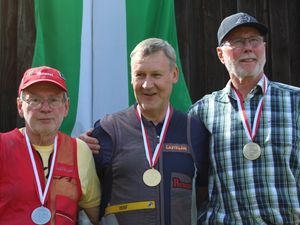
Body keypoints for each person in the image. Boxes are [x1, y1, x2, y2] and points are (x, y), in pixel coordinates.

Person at [80, 38, 209, 225]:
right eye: (140, 75)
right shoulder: (108, 130)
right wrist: (77, 150)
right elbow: (85, 194)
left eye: (156, 75)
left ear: (174, 75)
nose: (147, 85)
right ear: (131, 77)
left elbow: (206, 191)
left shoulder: (194, 130)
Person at [189, 12, 300, 224]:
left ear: (264, 48)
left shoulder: (296, 102)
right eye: (238, 42)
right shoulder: (201, 112)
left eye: (254, 41)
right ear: (221, 54)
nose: (248, 47)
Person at [0, 66, 101, 225]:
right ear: (20, 106)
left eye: (53, 100)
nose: (45, 108)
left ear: (66, 107)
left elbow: (98, 217)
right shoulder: (2, 146)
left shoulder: (80, 151)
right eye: (35, 100)